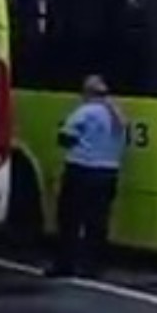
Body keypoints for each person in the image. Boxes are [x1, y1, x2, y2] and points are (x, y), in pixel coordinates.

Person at [47, 74, 126, 278]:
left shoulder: (85, 112)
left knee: (69, 220)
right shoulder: (118, 116)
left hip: (81, 170)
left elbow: (65, 138)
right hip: (108, 173)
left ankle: (65, 264)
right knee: (97, 222)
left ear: (87, 93)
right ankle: (93, 267)